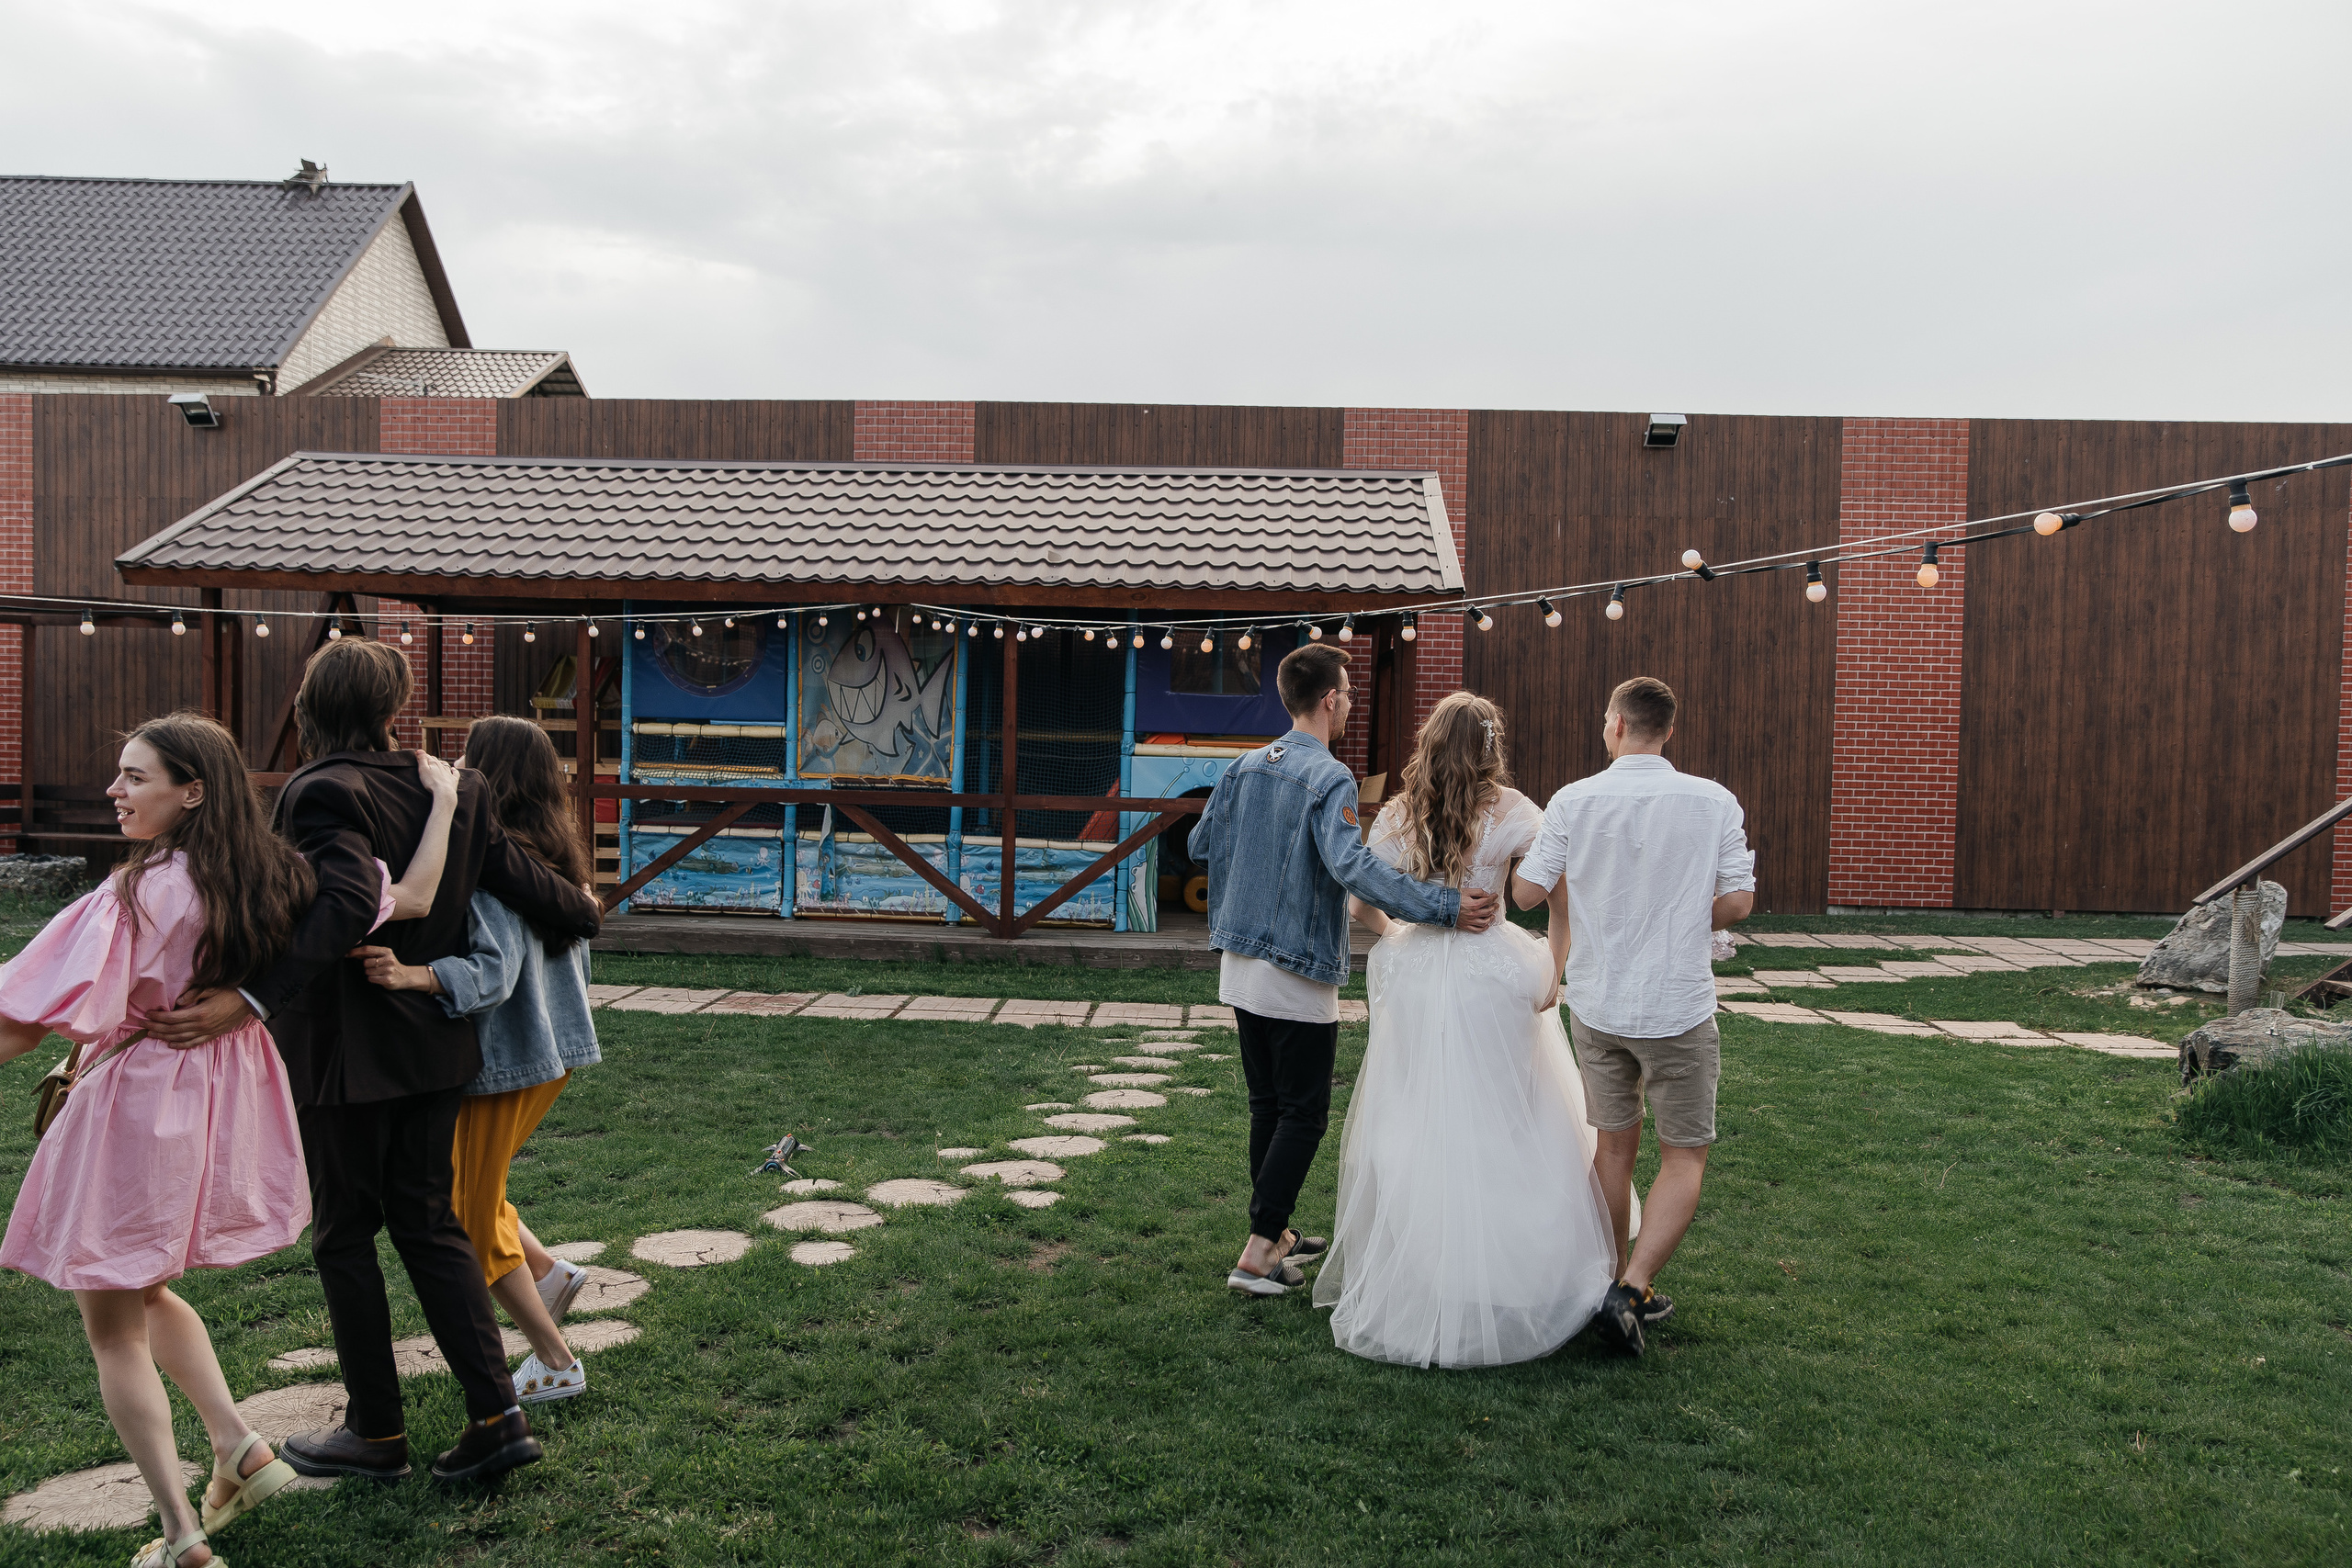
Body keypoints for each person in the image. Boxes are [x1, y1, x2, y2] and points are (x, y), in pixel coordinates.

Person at [0, 714, 459, 1568]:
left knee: (112, 1323)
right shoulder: (277, 876)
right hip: (214, 1101)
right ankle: (239, 1447)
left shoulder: (140, 894)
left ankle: (180, 1535)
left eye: (135, 777)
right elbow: (407, 896)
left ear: (192, 791)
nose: (115, 791)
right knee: (143, 1291)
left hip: (139, 1103)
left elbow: (18, 1020)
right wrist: (445, 805)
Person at [146, 638, 603, 1485]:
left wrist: (253, 997)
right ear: (394, 708)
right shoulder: (457, 790)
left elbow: (355, 898)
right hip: (435, 1052)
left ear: (312, 707)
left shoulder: (322, 789)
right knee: (430, 1227)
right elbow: (552, 897)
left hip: (345, 1058)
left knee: (346, 1234)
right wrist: (579, 904)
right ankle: (498, 1416)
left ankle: (377, 1431)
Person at [1313, 693, 1623, 1366]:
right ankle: (1515, 1271)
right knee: (1510, 1112)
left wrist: (1397, 932)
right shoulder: (1516, 811)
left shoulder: (1397, 811)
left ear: (1430, 740)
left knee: (1418, 1111)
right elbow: (1559, 897)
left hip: (1417, 970)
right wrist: (1556, 969)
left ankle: (1431, 1267)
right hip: (1494, 974)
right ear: (1490, 746)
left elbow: (1361, 899)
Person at [1189, 642, 1501, 1296]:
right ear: (1329, 699)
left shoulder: (1241, 767)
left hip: (1240, 963)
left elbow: (1200, 843)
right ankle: (1256, 1252)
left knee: (1267, 1106)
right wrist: (1442, 905)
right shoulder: (1328, 776)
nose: (1353, 703)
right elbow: (1352, 867)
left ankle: (1274, 1235)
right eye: (1350, 693)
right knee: (1304, 1113)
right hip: (1297, 967)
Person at [353, 716, 603, 1406]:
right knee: (476, 1187)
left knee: (463, 1209)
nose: (454, 764)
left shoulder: (496, 870)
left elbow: (493, 971)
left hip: (507, 1063)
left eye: (465, 756)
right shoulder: (552, 855)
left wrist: (414, 975)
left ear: (491, 774)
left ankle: (555, 1360)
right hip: (549, 1057)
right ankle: (548, 1274)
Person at [1511, 676, 1755, 1357]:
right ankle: (1634, 1286)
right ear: (1667, 731)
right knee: (1684, 1155)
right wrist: (1679, 909)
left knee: (1612, 1150)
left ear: (1615, 723)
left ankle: (1612, 1280)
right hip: (1678, 1004)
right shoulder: (1713, 801)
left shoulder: (1572, 799)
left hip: (1598, 1001)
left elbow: (1527, 891)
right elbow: (1737, 903)